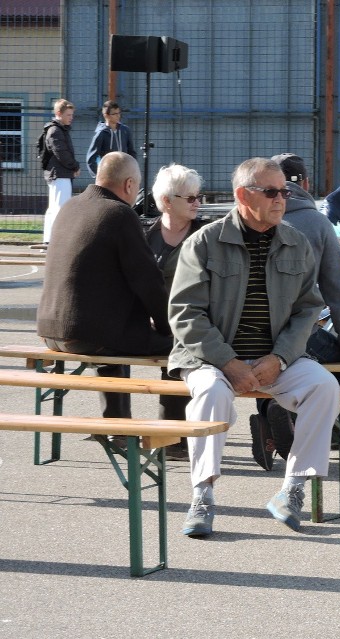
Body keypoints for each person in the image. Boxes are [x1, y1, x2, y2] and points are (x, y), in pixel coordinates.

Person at [168, 157, 340, 536]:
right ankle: (202, 496)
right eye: (272, 191)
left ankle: (292, 490)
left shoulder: (296, 243)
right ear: (243, 195)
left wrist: (279, 358)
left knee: (325, 387)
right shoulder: (205, 242)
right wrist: (229, 363)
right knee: (211, 393)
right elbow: (185, 314)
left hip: (274, 359)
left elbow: (307, 311)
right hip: (211, 359)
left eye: (286, 191)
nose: (283, 198)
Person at [243, 152, 340, 469]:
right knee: (338, 360)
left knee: (264, 344)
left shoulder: (246, 219)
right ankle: (287, 414)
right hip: (299, 335)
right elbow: (339, 295)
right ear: (307, 184)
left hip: (243, 341)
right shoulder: (317, 223)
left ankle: (269, 421)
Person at [37, 152, 172, 420]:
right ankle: (173, 434)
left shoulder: (70, 207)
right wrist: (170, 327)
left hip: (50, 329)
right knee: (185, 348)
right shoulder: (119, 213)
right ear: (129, 184)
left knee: (113, 336)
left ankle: (116, 425)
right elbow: (148, 281)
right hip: (86, 333)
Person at [146, 163, 207, 460]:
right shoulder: (147, 235)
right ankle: (117, 428)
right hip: (155, 320)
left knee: (178, 353)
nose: (198, 203)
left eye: (199, 197)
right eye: (191, 198)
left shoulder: (207, 234)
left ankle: (172, 436)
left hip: (195, 320)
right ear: (167, 201)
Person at [41, 98, 80, 244]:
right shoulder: (55, 131)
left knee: (54, 207)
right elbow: (61, 153)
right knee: (60, 207)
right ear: (59, 113)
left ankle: (49, 239)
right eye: (68, 115)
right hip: (60, 174)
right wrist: (74, 166)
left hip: (58, 173)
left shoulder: (57, 129)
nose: (71, 118)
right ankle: (58, 240)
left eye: (72, 115)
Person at [85, 100, 137, 178]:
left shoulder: (125, 130)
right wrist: (98, 175)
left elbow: (131, 152)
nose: (118, 116)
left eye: (119, 113)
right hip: (109, 175)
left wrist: (132, 170)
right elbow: (91, 157)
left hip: (124, 174)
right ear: (106, 115)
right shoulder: (101, 133)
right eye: (114, 114)